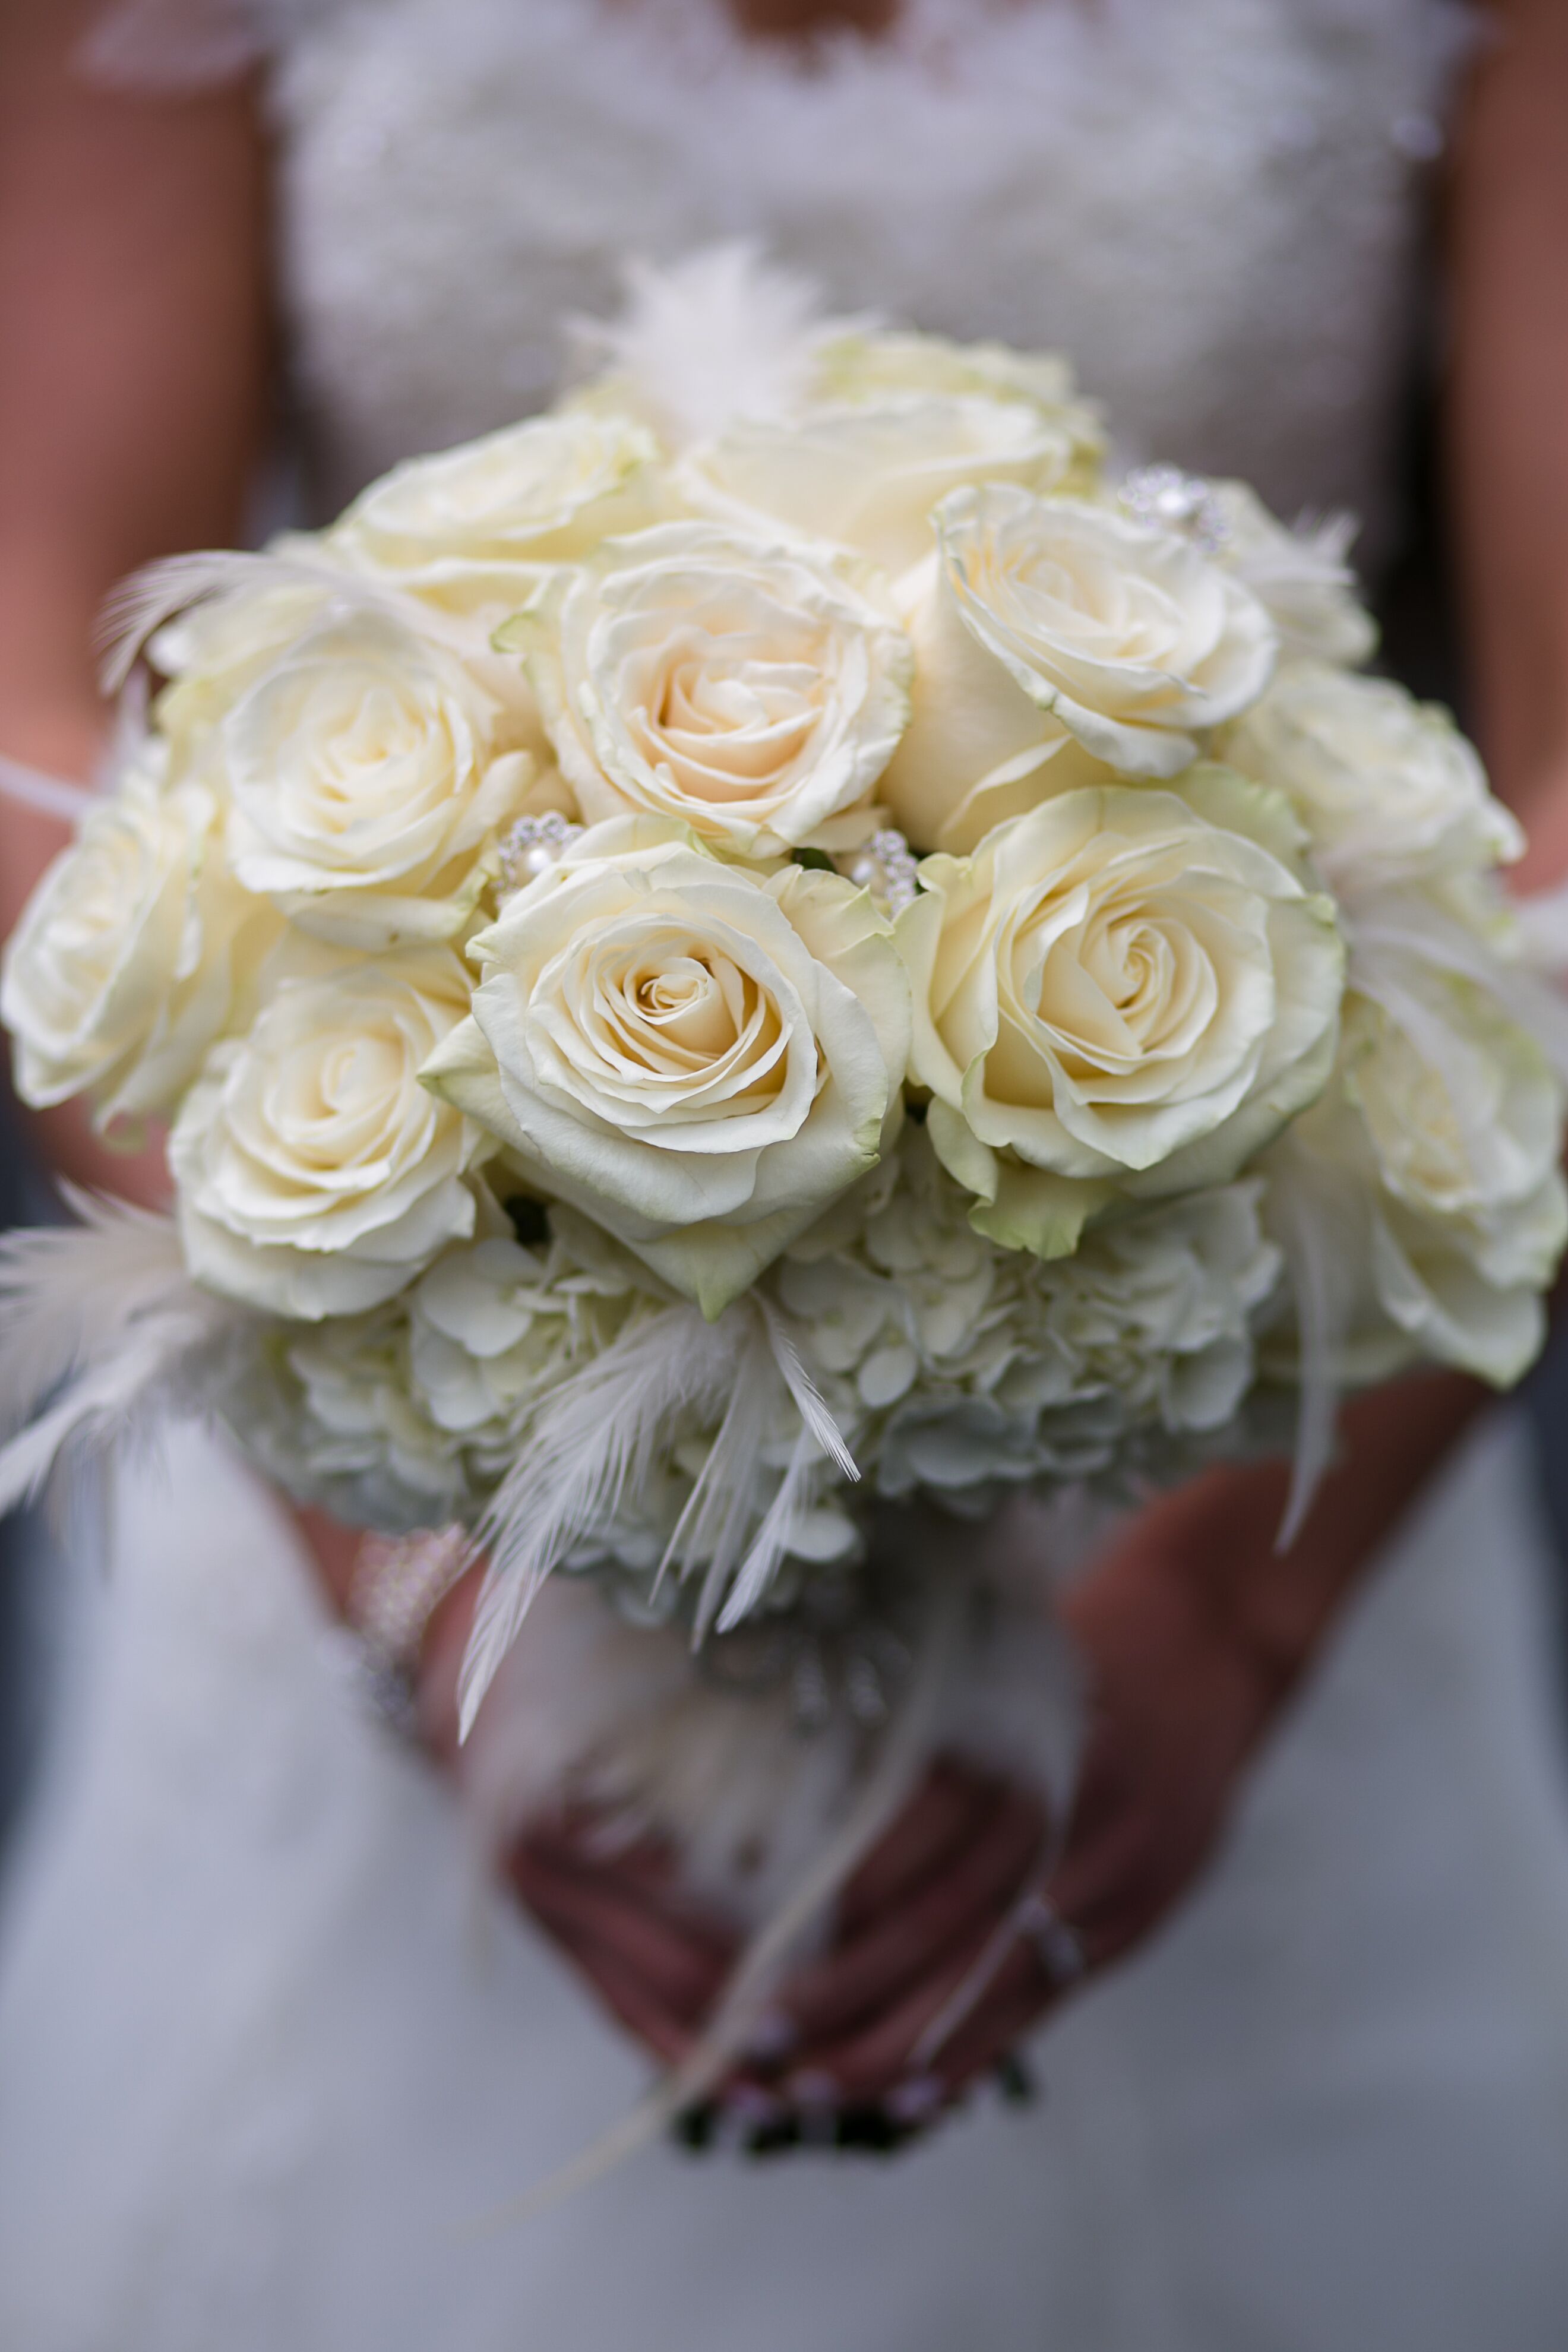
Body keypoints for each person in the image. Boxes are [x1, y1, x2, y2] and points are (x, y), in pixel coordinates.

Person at [2, 1, 1568, 2345]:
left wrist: (1240, 1618)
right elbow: (41, 684)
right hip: (412, 1379)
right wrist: (416, 1571)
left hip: (1251, 1413)